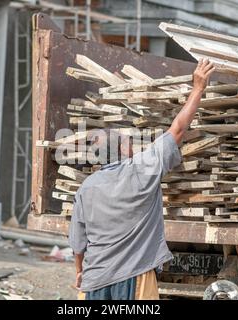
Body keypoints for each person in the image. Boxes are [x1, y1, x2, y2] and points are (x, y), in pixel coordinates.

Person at [68, 59, 215, 300]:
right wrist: (198, 88)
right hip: (133, 277)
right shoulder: (142, 170)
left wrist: (80, 272)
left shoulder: (86, 187)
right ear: (123, 150)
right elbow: (177, 129)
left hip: (94, 280)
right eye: (128, 142)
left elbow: (78, 241)